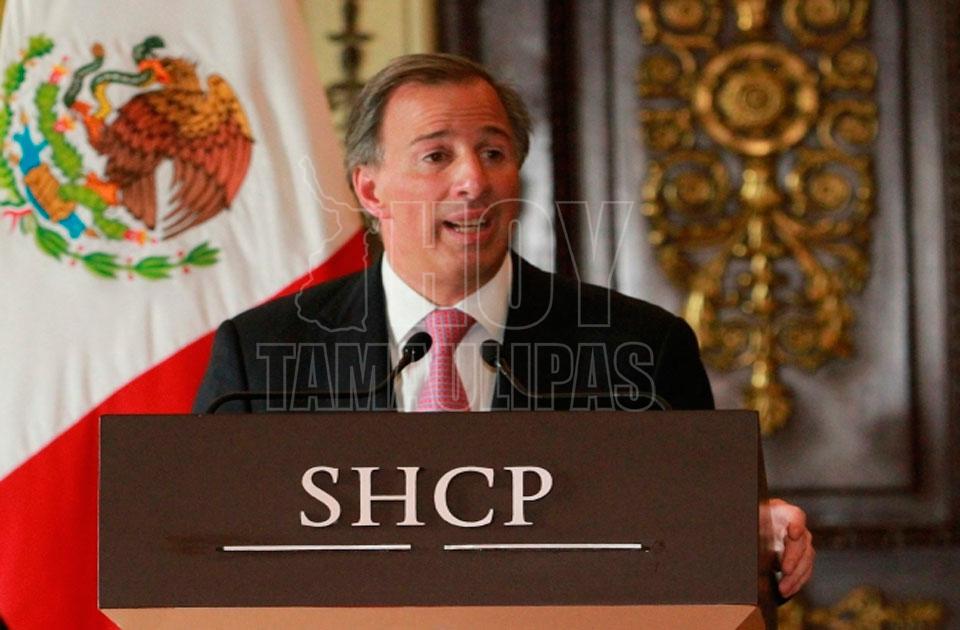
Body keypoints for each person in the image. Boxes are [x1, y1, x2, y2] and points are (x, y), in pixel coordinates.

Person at [193, 53, 814, 597]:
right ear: (372, 191)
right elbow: (204, 559)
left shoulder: (639, 348)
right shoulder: (263, 353)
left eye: (493, 153)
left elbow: (695, 551)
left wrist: (753, 541)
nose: (474, 180)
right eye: (437, 155)